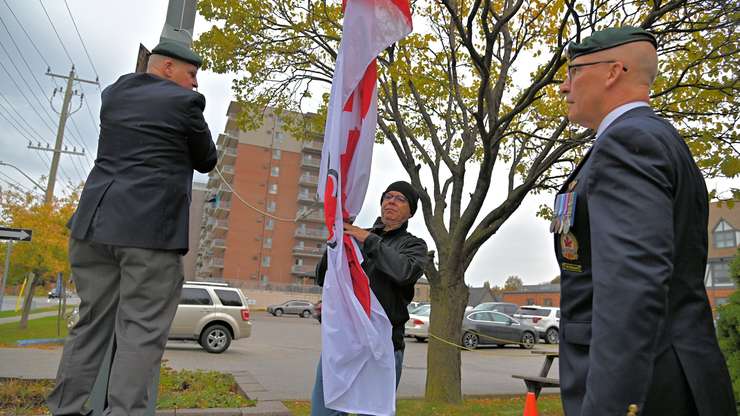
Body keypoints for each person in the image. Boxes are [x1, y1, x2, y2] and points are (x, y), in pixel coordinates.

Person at [554, 26, 735, 415]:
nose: (564, 87)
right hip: (669, 373)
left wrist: (609, 406)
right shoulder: (653, 138)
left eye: (574, 71)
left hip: (650, 386)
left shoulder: (627, 144)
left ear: (612, 71)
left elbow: (630, 289)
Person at [47, 40, 217, 416]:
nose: (195, 84)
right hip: (148, 234)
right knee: (140, 333)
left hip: (94, 226)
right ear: (168, 68)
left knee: (89, 323)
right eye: (192, 74)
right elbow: (206, 159)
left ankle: (65, 409)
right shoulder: (186, 104)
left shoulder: (114, 94)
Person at [311, 181, 429, 416]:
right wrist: (335, 243)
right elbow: (324, 277)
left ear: (411, 212)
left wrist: (368, 239)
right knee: (326, 411)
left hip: (383, 346)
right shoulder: (355, 237)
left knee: (374, 412)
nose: (391, 201)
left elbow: (404, 272)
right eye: (387, 196)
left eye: (400, 199)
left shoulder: (414, 245)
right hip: (344, 344)